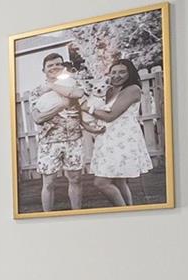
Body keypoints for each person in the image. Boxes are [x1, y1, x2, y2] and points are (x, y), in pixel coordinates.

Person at [27, 51, 92, 212]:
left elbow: (78, 94)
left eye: (58, 64)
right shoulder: (36, 91)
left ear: (63, 66)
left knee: (75, 179)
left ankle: (77, 214)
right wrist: (62, 105)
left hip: (73, 139)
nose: (55, 67)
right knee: (48, 183)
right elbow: (38, 118)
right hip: (49, 142)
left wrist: (53, 86)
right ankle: (47, 216)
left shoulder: (73, 83)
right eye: (50, 65)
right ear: (44, 70)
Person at [81, 58, 151, 207]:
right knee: (119, 181)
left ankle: (122, 211)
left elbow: (110, 115)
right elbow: (99, 113)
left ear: (130, 73)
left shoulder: (133, 89)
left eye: (122, 72)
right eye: (113, 72)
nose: (117, 75)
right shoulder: (109, 90)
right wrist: (88, 125)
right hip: (107, 138)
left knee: (101, 182)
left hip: (123, 139)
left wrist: (87, 108)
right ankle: (129, 211)